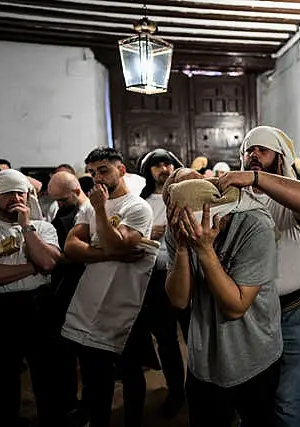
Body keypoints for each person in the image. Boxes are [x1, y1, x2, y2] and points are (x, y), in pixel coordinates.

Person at [219, 125, 300, 427]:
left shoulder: (293, 198)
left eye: (261, 151)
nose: (253, 156)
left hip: (291, 310)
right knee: (249, 389)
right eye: (249, 151)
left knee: (288, 396)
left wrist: (255, 178)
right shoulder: (237, 201)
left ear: (280, 158)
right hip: (249, 312)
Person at [165, 176, 283, 427]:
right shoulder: (179, 225)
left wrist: (205, 250)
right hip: (205, 357)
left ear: (223, 213)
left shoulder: (255, 226)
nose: (194, 229)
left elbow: (235, 307)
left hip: (253, 354)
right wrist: (183, 248)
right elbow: (178, 300)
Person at [0, 169, 64, 427]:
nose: (15, 197)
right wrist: (32, 267)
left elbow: (49, 263)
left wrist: (26, 226)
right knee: (1, 382)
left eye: (21, 192)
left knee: (48, 378)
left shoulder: (42, 228)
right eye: (7, 192)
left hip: (41, 306)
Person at [61, 148, 156, 427]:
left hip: (127, 300)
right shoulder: (89, 207)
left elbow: (116, 242)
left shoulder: (137, 207)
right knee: (95, 374)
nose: (97, 178)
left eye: (103, 170)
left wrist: (101, 209)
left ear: (122, 170)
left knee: (130, 370)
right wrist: (108, 254)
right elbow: (71, 248)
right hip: (93, 296)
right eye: (91, 172)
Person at [138, 148, 188, 418]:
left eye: (167, 163)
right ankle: (176, 390)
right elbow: (130, 235)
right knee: (166, 339)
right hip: (155, 278)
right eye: (156, 166)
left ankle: (202, 385)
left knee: (197, 334)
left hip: (187, 273)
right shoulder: (141, 200)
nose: (163, 169)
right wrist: (148, 232)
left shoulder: (185, 193)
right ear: (148, 171)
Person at [47, 171, 91, 423]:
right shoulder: (64, 211)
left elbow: (79, 254)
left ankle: (87, 407)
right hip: (66, 289)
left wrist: (53, 255)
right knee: (67, 353)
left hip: (84, 288)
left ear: (76, 191)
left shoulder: (90, 214)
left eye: (62, 200)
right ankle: (72, 405)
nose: (59, 205)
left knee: (88, 356)